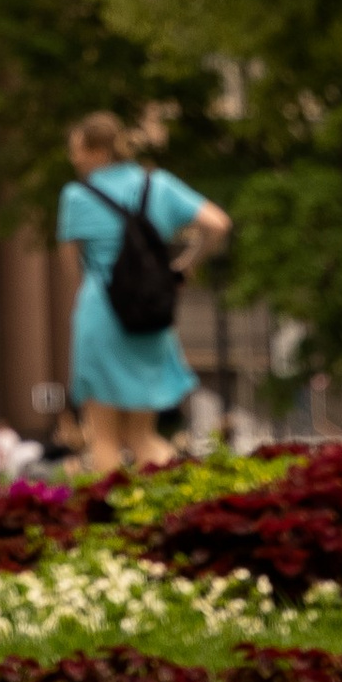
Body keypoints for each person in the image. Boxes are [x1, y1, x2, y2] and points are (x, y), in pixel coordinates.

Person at [57, 112, 230, 476]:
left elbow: (73, 270)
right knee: (142, 436)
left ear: (98, 151)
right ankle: (166, 512)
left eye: (79, 150)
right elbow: (217, 224)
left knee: (102, 437)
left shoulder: (75, 196)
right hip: (148, 317)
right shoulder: (159, 185)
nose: (74, 159)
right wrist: (184, 267)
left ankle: (112, 525)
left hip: (100, 314)